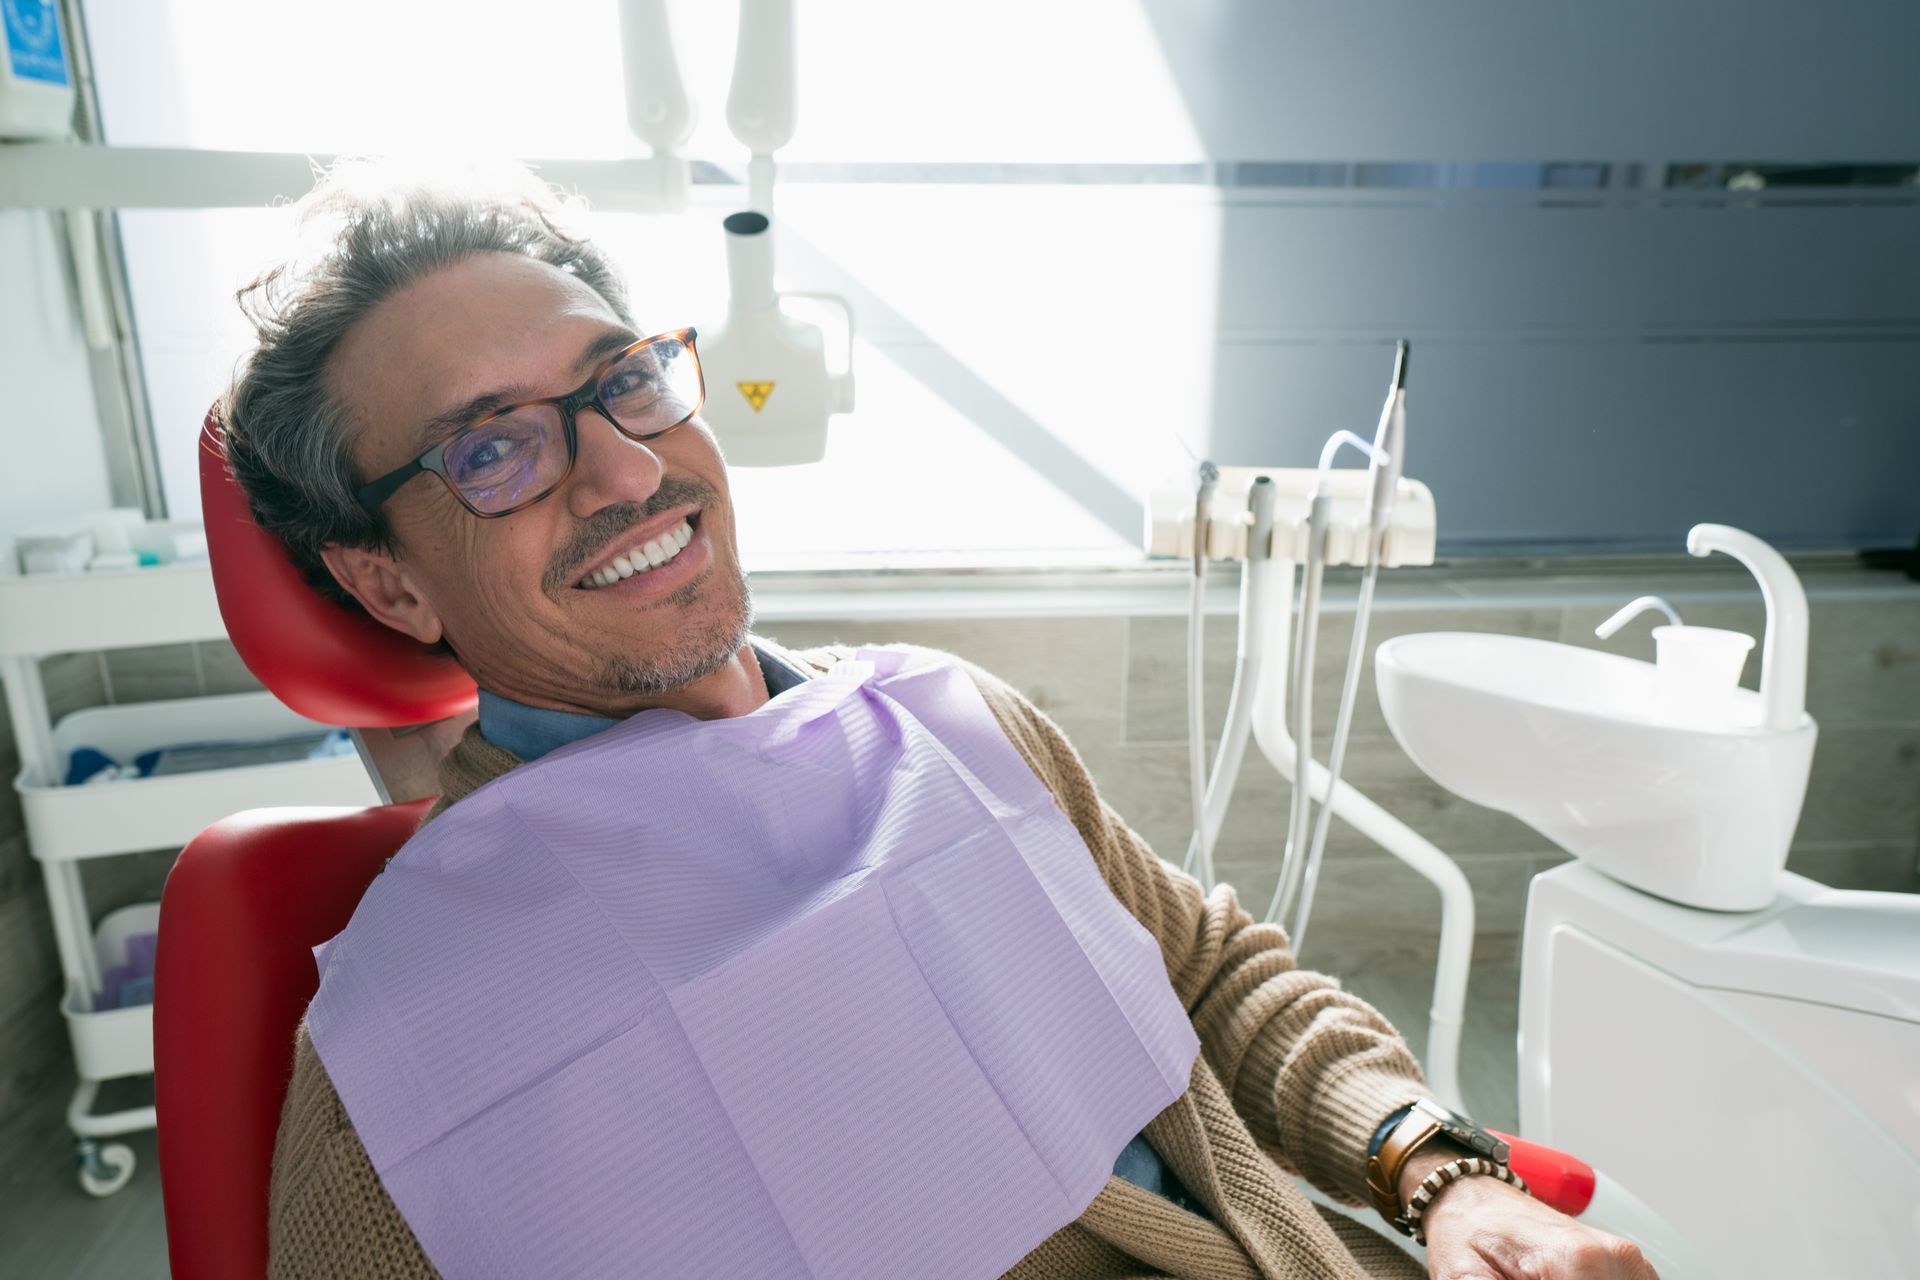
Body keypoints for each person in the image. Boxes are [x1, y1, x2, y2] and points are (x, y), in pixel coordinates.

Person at [222, 160, 1657, 1280]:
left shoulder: (947, 725)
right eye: (493, 448)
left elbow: (1214, 981)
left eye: (624, 382)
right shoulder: (411, 1049)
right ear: (386, 581)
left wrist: (1439, 1172)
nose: (621, 471)